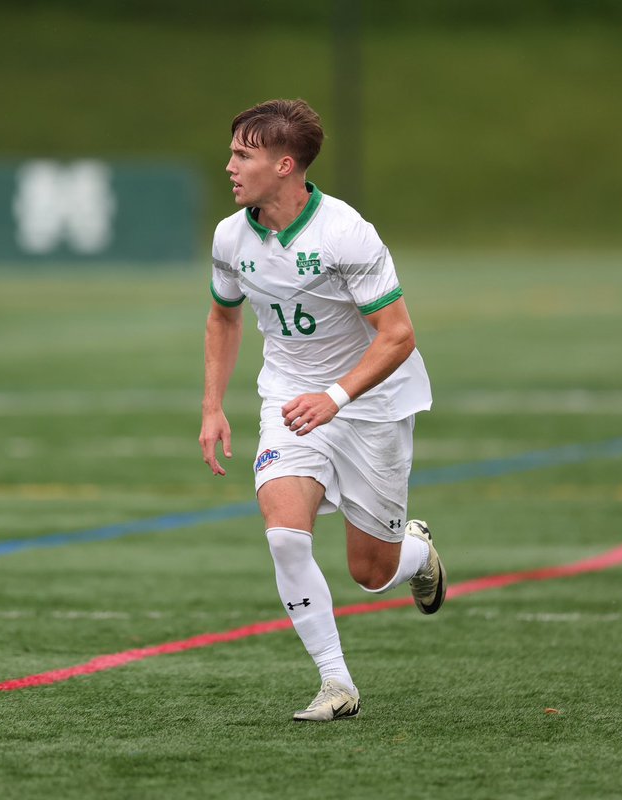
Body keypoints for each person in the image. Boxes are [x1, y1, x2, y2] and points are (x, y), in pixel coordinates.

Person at [199, 98, 445, 722]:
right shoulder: (231, 236)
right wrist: (213, 406)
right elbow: (224, 317)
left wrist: (336, 397)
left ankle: (416, 554)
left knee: (371, 572)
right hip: (288, 400)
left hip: (371, 404)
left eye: (243, 155)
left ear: (285, 165)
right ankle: (337, 684)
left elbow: (398, 335)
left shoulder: (345, 233)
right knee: (285, 536)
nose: (230, 166)